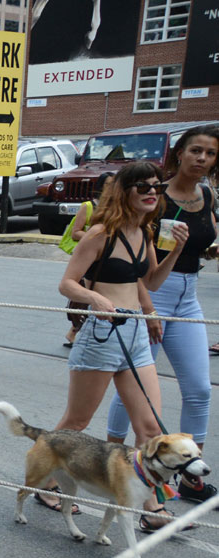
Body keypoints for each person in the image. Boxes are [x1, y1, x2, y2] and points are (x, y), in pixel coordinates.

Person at [49, 161, 190, 526]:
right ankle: (47, 484)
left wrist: (176, 250)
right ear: (124, 190)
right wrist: (95, 299)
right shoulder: (101, 232)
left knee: (150, 430)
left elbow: (152, 282)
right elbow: (68, 283)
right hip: (100, 336)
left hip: (135, 336)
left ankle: (152, 508)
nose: (150, 193)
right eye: (142, 187)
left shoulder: (144, 232)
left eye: (156, 188)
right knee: (76, 423)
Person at [105, 126, 219, 505]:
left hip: (189, 296)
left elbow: (203, 240)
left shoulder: (207, 194)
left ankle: (190, 474)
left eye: (210, 153)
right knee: (134, 387)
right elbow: (137, 263)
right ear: (180, 154)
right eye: (196, 151)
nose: (202, 159)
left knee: (200, 389)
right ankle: (114, 455)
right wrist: (148, 310)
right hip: (151, 296)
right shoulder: (156, 196)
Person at [60, 172, 115, 347]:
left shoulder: (116, 208)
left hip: (107, 258)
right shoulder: (88, 206)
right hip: (88, 259)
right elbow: (76, 232)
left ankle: (80, 331)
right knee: (83, 294)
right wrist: (96, 236)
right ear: (100, 187)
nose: (112, 189)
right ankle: (75, 329)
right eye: (108, 185)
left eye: (115, 185)